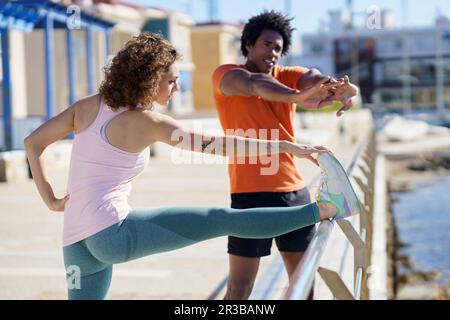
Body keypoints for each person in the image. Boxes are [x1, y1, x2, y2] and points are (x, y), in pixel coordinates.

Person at [23, 32, 357, 300]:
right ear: (150, 79)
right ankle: (327, 208)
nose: (177, 87)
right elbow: (222, 146)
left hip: (74, 240)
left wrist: (51, 199)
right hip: (111, 234)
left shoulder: (88, 106)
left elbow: (32, 143)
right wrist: (286, 146)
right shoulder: (149, 122)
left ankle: (325, 208)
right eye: (171, 80)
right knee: (221, 219)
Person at [212, 10, 359, 300]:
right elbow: (255, 85)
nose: (273, 52)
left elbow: (314, 79)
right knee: (239, 289)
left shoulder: (289, 76)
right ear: (249, 45)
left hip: (294, 194)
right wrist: (297, 98)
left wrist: (341, 90)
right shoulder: (227, 75)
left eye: (278, 47)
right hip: (249, 197)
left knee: (302, 284)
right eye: (267, 44)